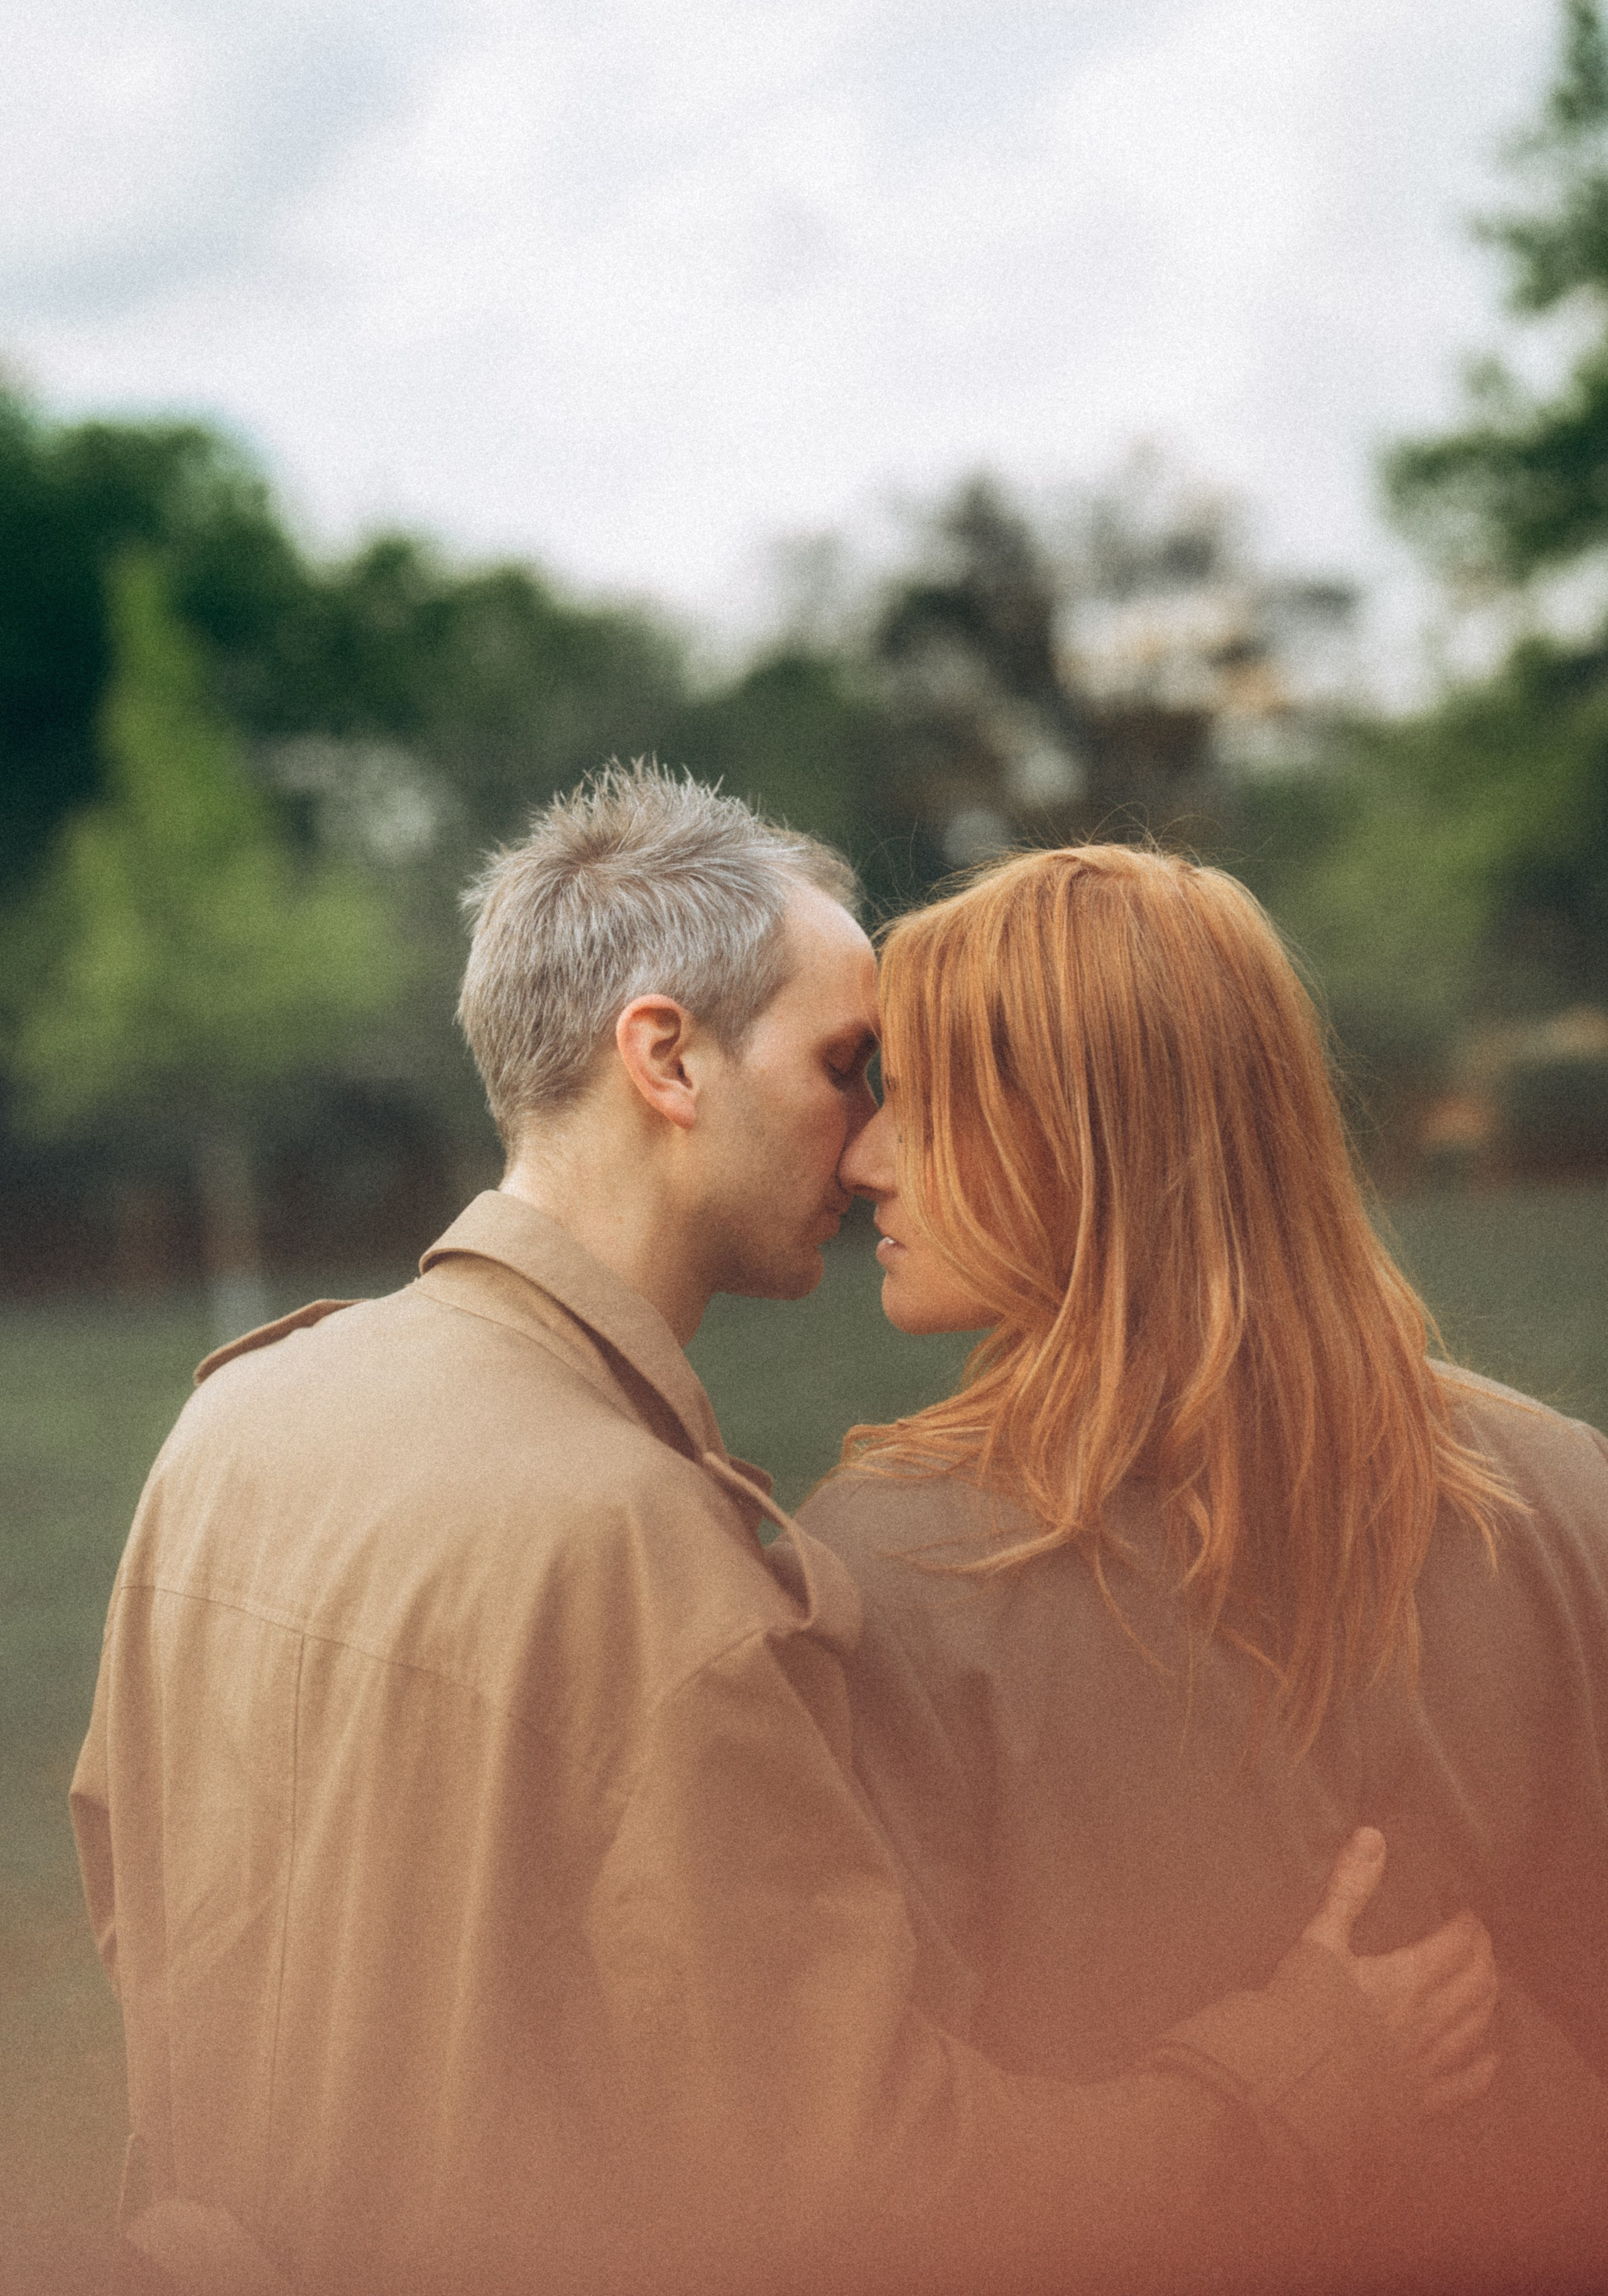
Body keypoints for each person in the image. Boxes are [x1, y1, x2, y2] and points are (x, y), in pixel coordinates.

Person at [75, 772, 1497, 2296]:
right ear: (668, 1059)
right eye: (847, 1064)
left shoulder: (238, 1415)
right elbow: (866, 2194)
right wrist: (1308, 2066)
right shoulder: (639, 1550)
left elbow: (138, 1911)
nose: (877, 1139)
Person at [801, 839, 1608, 2294]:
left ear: (1073, 1137)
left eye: (917, 1107)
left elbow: (869, 2185)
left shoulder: (890, 1564)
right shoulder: (1561, 1492)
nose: (861, 1159)